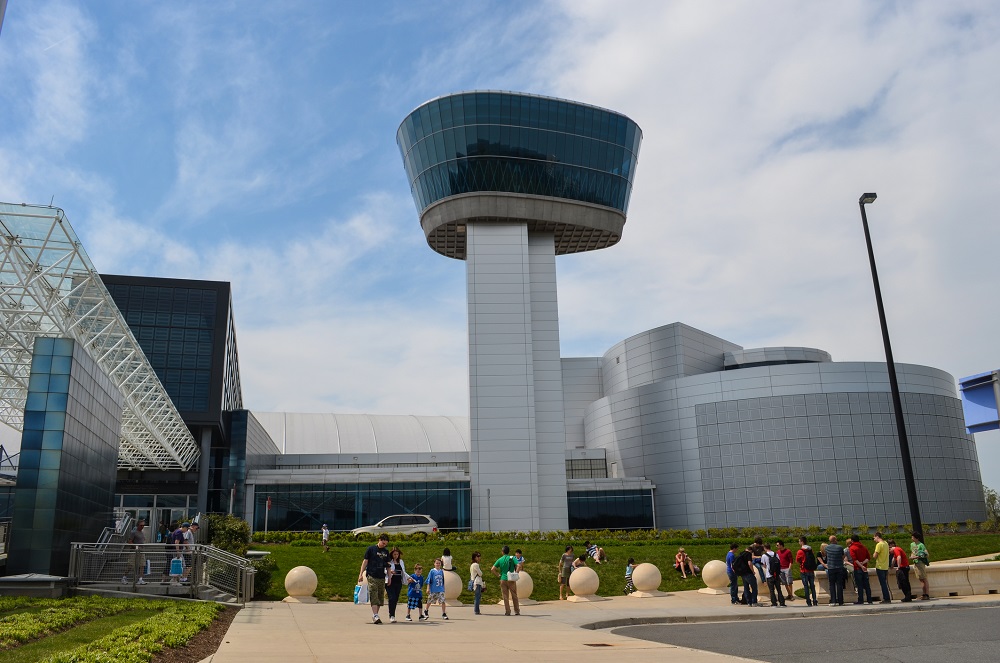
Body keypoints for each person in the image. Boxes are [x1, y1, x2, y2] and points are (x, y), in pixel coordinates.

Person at [358, 532, 391, 624]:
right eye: (383, 543)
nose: (384, 545)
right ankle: (375, 615)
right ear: (379, 540)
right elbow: (365, 562)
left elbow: (388, 566)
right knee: (373, 593)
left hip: (381, 576)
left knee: (380, 597)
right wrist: (360, 574)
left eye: (386, 544)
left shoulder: (386, 552)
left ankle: (375, 615)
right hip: (372, 575)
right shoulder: (371, 549)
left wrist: (389, 577)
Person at [492, 545, 520, 616]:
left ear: (502, 552)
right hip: (511, 579)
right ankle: (517, 611)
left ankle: (508, 611)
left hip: (503, 579)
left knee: (505, 596)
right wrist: (516, 573)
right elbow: (519, 566)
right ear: (508, 552)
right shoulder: (512, 558)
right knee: (514, 595)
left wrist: (498, 575)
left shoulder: (500, 559)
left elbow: (492, 569)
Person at [848, 534, 873, 604]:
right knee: (867, 585)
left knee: (860, 585)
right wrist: (863, 564)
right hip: (865, 568)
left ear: (852, 540)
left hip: (857, 568)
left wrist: (861, 566)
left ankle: (861, 600)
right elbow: (868, 557)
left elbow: (855, 559)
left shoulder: (852, 548)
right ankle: (869, 599)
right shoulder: (864, 547)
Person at [824, 535, 847, 606]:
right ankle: (841, 601)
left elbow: (825, 555)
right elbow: (843, 556)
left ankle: (833, 601)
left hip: (831, 568)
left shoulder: (827, 547)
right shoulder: (840, 547)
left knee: (832, 585)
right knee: (839, 585)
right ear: (835, 540)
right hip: (839, 567)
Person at [385, 547, 407, 623]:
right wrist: (390, 571)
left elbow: (403, 572)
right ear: (391, 554)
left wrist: (409, 578)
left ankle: (393, 614)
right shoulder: (389, 562)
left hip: (398, 583)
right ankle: (391, 615)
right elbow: (384, 570)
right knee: (392, 598)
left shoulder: (401, 562)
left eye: (397, 554)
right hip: (390, 582)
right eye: (394, 554)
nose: (396, 556)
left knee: (395, 599)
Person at [796, 536, 818, 607]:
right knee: (812, 586)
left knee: (806, 586)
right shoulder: (810, 549)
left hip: (804, 570)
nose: (799, 542)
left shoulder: (800, 551)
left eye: (799, 541)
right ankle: (815, 600)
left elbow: (797, 560)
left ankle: (808, 601)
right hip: (811, 570)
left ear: (802, 542)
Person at [762, 543, 786, 607]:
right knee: (779, 589)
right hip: (777, 574)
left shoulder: (764, 555)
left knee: (771, 590)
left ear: (765, 548)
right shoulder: (776, 554)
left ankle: (774, 603)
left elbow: (764, 565)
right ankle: (782, 602)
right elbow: (779, 562)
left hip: (769, 574)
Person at [872, 531, 892, 603]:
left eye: (874, 538)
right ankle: (887, 597)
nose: (874, 539)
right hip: (885, 566)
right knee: (885, 583)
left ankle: (886, 598)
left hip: (880, 566)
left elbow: (875, 556)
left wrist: (874, 554)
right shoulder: (886, 543)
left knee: (883, 583)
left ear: (877, 537)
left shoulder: (879, 545)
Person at [128, 519, 149, 585]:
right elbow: (130, 541)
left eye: (143, 525)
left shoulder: (142, 533)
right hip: (134, 551)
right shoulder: (134, 532)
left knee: (142, 565)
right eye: (141, 525)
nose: (142, 526)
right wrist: (136, 547)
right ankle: (124, 576)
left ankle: (140, 579)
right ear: (137, 525)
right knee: (130, 565)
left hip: (141, 551)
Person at [910, 532, 930, 600]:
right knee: (920, 579)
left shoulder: (921, 545)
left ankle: (926, 594)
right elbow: (912, 552)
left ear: (916, 538)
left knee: (924, 578)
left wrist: (917, 557)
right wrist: (912, 556)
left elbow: (926, 554)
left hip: (920, 563)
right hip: (915, 563)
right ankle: (923, 594)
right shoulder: (912, 544)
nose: (911, 538)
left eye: (913, 537)